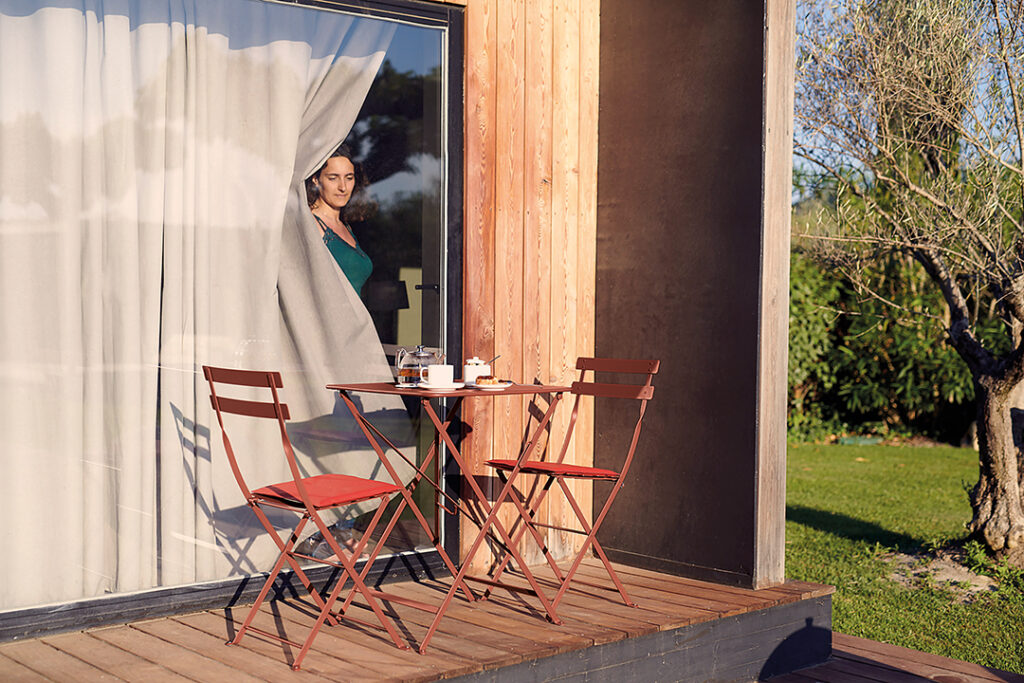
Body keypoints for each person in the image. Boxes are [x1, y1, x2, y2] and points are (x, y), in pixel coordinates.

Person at [306, 145, 373, 295]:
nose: (343, 187)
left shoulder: (346, 226)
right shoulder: (310, 223)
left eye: (349, 178)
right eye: (333, 178)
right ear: (316, 179)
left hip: (356, 317)